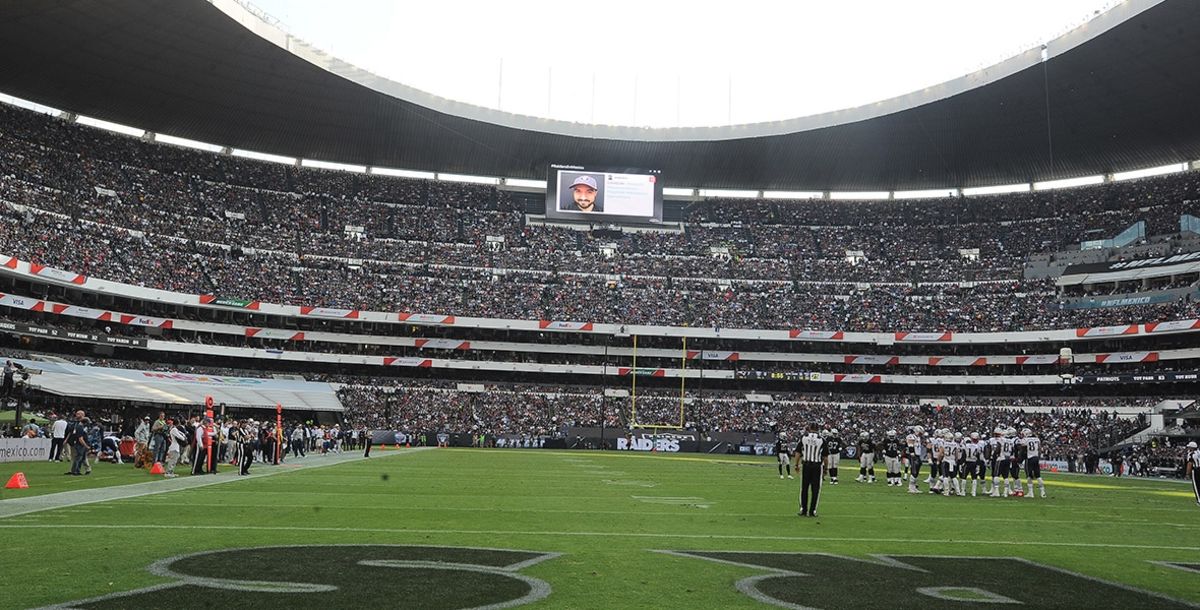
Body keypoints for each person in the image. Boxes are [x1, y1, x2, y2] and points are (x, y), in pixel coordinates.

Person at [795, 423, 826, 518]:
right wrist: (826, 468)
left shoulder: (804, 438)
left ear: (809, 428)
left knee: (804, 488)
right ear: (818, 429)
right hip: (817, 466)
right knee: (815, 489)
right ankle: (812, 511)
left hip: (806, 465)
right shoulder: (821, 439)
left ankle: (803, 510)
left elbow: (798, 452)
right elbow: (825, 456)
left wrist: (796, 464)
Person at [1187, 441, 1199, 508]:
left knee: (1196, 486)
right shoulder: (1199, 452)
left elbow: (1190, 464)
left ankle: (1199, 501)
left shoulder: (1191, 454)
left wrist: (1187, 473)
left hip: (1196, 470)